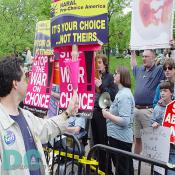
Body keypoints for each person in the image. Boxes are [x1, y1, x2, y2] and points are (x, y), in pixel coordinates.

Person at [0, 56, 78, 175]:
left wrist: (68, 112)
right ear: (15, 83)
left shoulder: (26, 116)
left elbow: (47, 127)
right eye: (25, 76)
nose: (29, 80)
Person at [130, 49, 164, 155]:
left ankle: (153, 166)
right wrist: (133, 53)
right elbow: (133, 66)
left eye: (146, 56)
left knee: (151, 140)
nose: (144, 58)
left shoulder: (159, 70)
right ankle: (135, 163)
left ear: (153, 58)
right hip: (136, 110)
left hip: (148, 111)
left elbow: (171, 66)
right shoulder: (140, 70)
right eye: (143, 56)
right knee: (137, 139)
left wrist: (172, 48)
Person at [102, 66, 135, 175]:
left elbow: (125, 121)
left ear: (123, 77)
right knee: (124, 168)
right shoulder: (121, 93)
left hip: (120, 139)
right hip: (117, 137)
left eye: (116, 73)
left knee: (122, 170)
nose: (113, 75)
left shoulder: (124, 95)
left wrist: (108, 115)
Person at [91, 54, 118, 174]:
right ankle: (101, 169)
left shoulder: (110, 77)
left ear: (105, 64)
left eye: (100, 62)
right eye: (96, 63)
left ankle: (107, 171)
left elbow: (113, 94)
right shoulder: (93, 76)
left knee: (103, 142)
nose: (97, 65)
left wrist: (101, 86)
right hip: (93, 112)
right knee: (96, 142)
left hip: (104, 113)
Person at [151, 80, 175, 175]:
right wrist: (154, 124)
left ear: (171, 93)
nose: (162, 93)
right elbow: (152, 122)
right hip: (160, 147)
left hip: (172, 149)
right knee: (158, 172)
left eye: (165, 91)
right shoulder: (157, 108)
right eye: (161, 91)